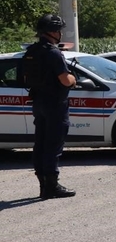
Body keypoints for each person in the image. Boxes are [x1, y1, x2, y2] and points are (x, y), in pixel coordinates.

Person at [20, 14, 77, 199]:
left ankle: (43, 185)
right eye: (58, 30)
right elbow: (64, 79)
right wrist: (73, 79)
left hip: (38, 101)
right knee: (53, 144)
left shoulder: (32, 51)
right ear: (52, 32)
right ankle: (52, 186)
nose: (60, 33)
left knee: (41, 143)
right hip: (55, 104)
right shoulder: (53, 53)